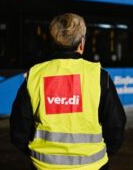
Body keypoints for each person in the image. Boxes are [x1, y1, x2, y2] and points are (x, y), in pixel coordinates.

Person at [10, 13, 126, 170]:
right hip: (93, 166)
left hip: (43, 166)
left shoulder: (35, 75)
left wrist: (37, 155)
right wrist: (104, 153)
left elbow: (18, 128)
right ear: (82, 44)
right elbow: (116, 125)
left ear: (52, 42)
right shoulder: (99, 75)